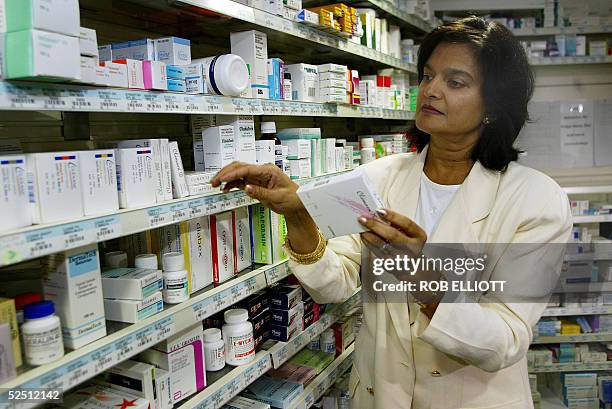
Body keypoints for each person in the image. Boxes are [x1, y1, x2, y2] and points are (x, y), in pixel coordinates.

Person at [212, 17, 572, 409]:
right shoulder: (379, 177)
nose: (431, 90)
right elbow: (332, 285)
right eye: (428, 76)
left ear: (493, 106)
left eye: (455, 82)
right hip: (381, 395)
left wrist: (423, 275)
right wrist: (298, 213)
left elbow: (505, 340)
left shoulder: (535, 200)